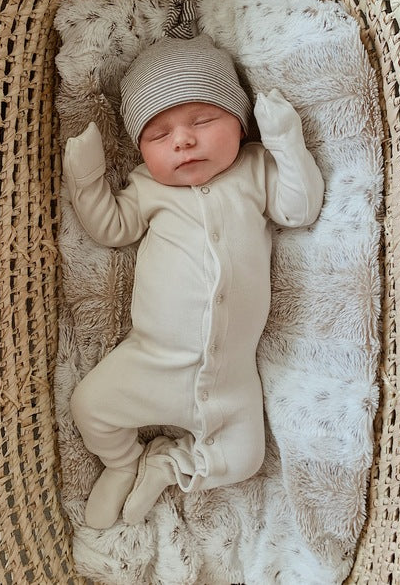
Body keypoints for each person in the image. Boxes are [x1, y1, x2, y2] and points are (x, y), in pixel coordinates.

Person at [63, 30, 324, 530]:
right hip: (153, 359)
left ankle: (168, 465)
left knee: (244, 458)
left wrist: (286, 142)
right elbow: (111, 229)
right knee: (89, 405)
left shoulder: (254, 169)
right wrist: (87, 180)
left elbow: (300, 209)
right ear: (141, 151)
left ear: (240, 125)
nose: (182, 140)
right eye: (159, 135)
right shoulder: (147, 186)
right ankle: (122, 463)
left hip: (231, 375)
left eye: (202, 121)